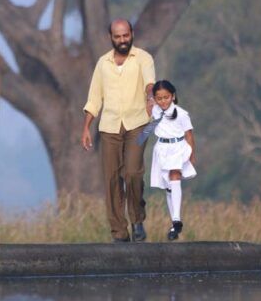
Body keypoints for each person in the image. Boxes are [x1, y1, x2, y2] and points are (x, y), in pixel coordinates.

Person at [81, 19, 156, 243]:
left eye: (125, 36)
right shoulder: (103, 63)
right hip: (110, 128)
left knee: (133, 173)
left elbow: (150, 83)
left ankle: (137, 219)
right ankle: (119, 232)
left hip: (139, 124)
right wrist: (86, 127)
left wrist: (150, 97)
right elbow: (94, 99)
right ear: (111, 38)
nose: (122, 40)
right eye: (117, 37)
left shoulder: (143, 58)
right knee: (112, 179)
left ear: (132, 33)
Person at [148, 80, 197, 240]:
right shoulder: (154, 110)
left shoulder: (182, 114)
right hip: (162, 150)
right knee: (168, 187)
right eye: (159, 98)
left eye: (166, 97)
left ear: (173, 96)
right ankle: (174, 225)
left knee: (175, 177)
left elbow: (189, 135)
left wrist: (191, 155)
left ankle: (176, 219)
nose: (163, 101)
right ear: (155, 99)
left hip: (178, 148)